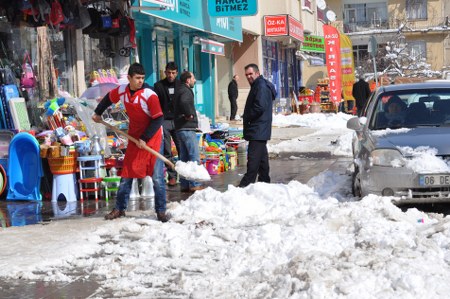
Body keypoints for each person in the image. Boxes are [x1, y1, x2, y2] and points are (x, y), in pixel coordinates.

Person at [92, 63, 168, 222]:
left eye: (142, 78)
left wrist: (145, 138)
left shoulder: (149, 94)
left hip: (152, 137)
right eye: (137, 78)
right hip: (135, 136)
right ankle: (119, 208)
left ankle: (161, 211)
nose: (140, 81)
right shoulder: (122, 90)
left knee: (156, 177)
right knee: (127, 174)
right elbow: (108, 99)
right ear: (129, 78)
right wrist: (98, 112)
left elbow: (158, 118)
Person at [238, 63, 276, 188]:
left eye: (251, 74)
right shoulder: (258, 85)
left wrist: (248, 116)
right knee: (262, 160)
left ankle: (244, 187)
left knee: (253, 161)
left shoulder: (260, 86)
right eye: (246, 75)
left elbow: (259, 107)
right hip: (259, 130)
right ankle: (265, 183)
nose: (249, 77)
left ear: (257, 73)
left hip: (258, 129)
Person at [173, 71, 205, 193]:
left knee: (184, 158)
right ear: (188, 80)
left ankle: (185, 184)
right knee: (193, 156)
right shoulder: (185, 91)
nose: (195, 80)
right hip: (187, 128)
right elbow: (184, 102)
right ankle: (195, 183)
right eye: (193, 78)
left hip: (180, 128)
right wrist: (189, 114)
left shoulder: (178, 89)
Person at [153, 62, 181, 187]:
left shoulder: (181, 85)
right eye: (169, 73)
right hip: (164, 121)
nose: (171, 75)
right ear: (165, 72)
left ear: (177, 73)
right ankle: (172, 176)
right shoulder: (158, 86)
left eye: (173, 73)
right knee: (167, 150)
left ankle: (185, 176)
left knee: (182, 148)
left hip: (178, 120)